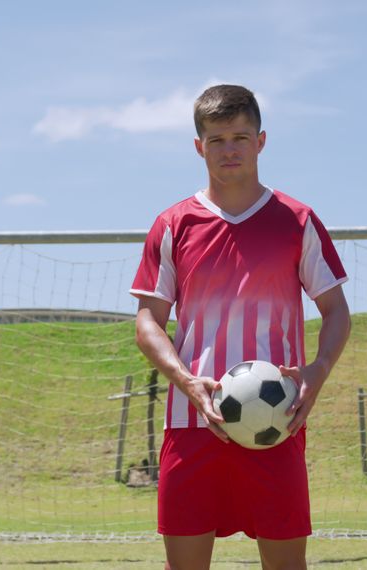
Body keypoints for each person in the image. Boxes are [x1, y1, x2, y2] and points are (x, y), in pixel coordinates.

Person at [130, 84, 351, 570]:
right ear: (198, 146)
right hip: (192, 422)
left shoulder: (297, 220)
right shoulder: (174, 224)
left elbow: (336, 310)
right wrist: (188, 382)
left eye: (240, 137)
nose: (229, 149)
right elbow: (148, 321)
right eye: (216, 139)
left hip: (277, 424)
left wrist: (318, 369)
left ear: (261, 141)